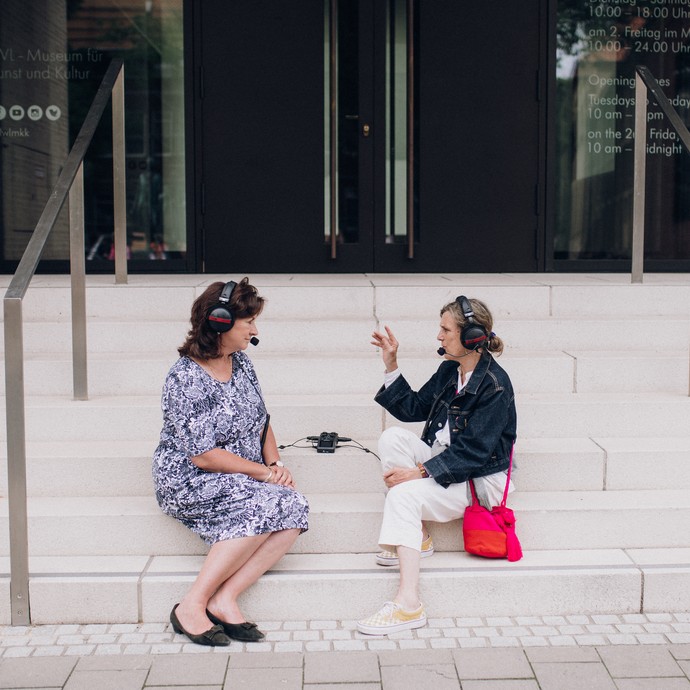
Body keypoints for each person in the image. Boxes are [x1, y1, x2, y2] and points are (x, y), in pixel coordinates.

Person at [152, 278, 309, 647]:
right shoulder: (184, 378)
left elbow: (261, 419)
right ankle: (191, 605)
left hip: (243, 473)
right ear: (219, 321)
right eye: (248, 321)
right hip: (189, 478)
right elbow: (203, 455)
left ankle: (225, 598)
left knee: (295, 507)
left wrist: (276, 462)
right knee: (268, 501)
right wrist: (264, 474)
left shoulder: (241, 364)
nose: (255, 330)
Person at [357, 295, 517, 636]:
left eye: (446, 330)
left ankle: (408, 604)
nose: (439, 337)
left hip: (480, 479)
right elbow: (414, 407)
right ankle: (420, 537)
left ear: (472, 337)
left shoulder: (494, 385)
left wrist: (419, 473)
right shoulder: (450, 370)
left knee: (402, 498)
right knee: (392, 439)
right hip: (449, 464)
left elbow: (474, 452)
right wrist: (391, 364)